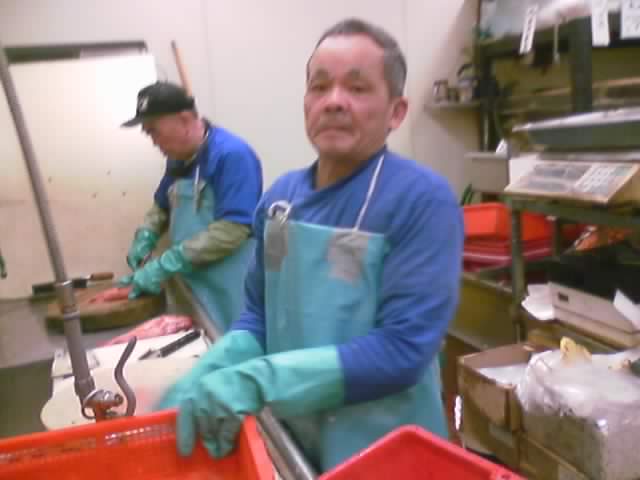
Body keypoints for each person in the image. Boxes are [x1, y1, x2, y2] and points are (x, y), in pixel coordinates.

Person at [157, 18, 463, 473]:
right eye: (319, 87)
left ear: (396, 112)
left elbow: (403, 349)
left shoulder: (421, 200)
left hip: (386, 451)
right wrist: (214, 368)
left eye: (357, 88)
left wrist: (260, 381)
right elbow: (260, 315)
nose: (333, 101)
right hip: (297, 443)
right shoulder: (281, 201)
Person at [120, 82, 263, 332]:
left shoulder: (232, 155)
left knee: (234, 344)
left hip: (230, 286)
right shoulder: (178, 159)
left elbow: (233, 230)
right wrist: (146, 234)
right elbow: (162, 205)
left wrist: (166, 263)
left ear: (185, 120)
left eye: (154, 131)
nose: (153, 141)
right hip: (195, 283)